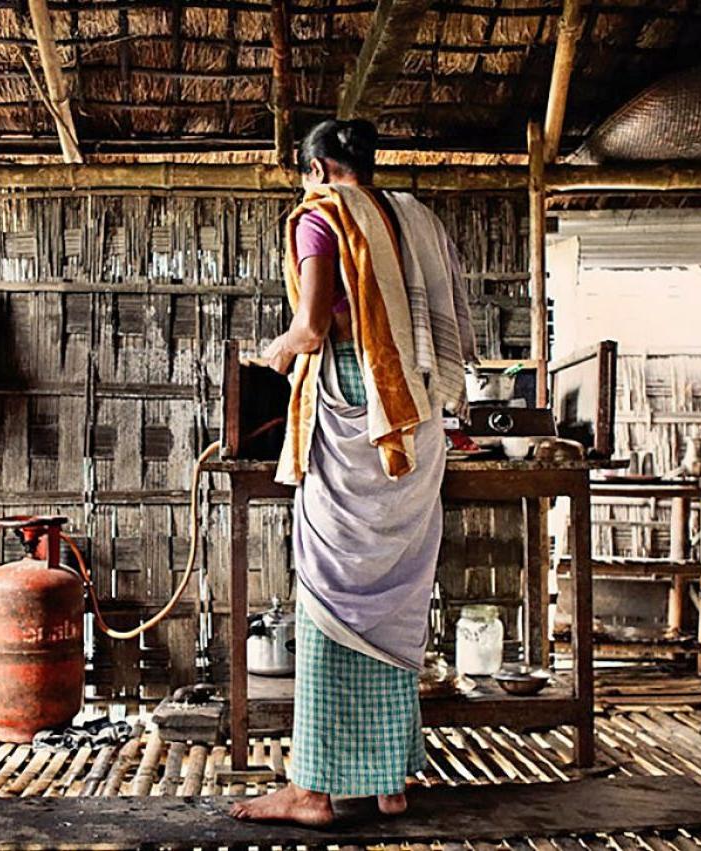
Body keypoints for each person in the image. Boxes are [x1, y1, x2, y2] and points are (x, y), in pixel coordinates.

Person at [230, 120, 476, 826]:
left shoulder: (323, 217)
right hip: (416, 420)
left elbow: (311, 327)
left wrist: (271, 354)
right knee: (394, 595)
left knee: (330, 592)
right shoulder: (416, 217)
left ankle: (311, 790)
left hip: (356, 416)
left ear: (315, 170)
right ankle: (389, 779)